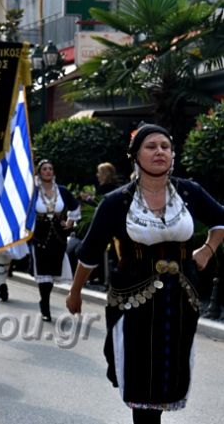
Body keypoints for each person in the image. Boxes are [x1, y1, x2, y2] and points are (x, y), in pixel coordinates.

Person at [67, 124, 224, 424]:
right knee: (140, 370)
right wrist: (75, 293)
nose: (159, 152)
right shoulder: (117, 201)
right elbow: (89, 253)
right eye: (151, 146)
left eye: (165, 146)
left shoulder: (189, 192)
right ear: (135, 155)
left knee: (171, 367)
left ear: (173, 156)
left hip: (180, 300)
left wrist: (207, 249)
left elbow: (220, 219)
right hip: (133, 299)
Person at [31, 160, 80, 321]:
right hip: (40, 235)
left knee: (52, 272)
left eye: (50, 169)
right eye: (44, 169)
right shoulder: (33, 192)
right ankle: (45, 305)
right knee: (43, 272)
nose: (48, 171)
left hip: (58, 237)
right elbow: (23, 210)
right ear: (39, 172)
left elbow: (75, 206)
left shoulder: (62, 191)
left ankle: (45, 299)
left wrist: (70, 222)